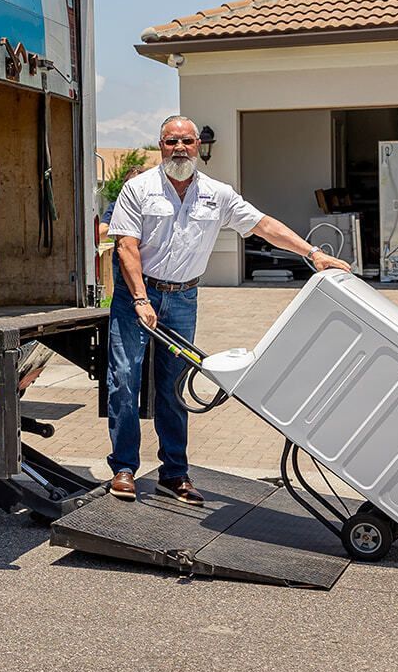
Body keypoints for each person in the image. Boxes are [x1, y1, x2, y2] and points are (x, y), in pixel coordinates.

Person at [103, 115, 350, 505]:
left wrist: (313, 253)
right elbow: (126, 247)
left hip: (182, 298)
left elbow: (263, 225)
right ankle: (124, 469)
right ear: (161, 145)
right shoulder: (139, 189)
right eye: (171, 141)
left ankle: (174, 474)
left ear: (198, 145)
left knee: (174, 387)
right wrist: (140, 299)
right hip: (137, 296)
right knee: (124, 379)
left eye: (187, 141)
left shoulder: (217, 194)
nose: (180, 148)